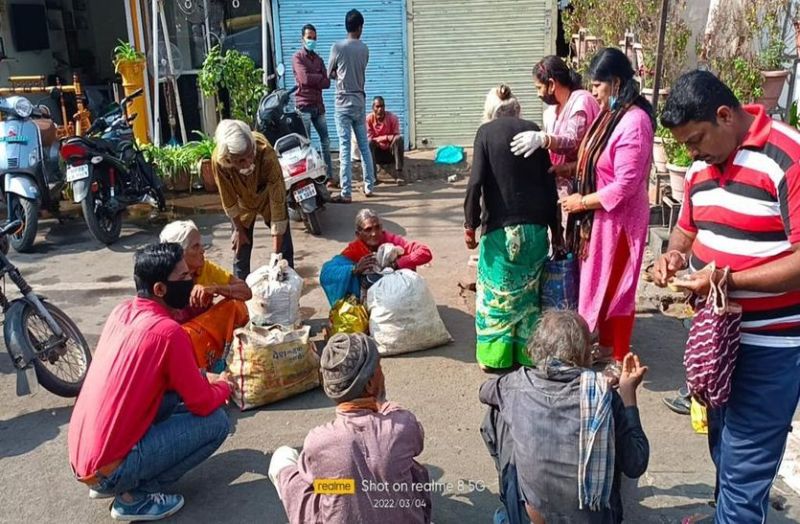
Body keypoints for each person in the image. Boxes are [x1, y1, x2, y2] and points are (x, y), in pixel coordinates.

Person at [653, 70, 800, 524]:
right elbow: (686, 228)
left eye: (696, 140)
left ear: (724, 115)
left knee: (743, 473)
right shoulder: (701, 166)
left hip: (770, 347)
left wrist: (726, 280)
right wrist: (674, 256)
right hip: (716, 341)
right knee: (723, 450)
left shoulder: (787, 156)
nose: (691, 154)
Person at [68, 243, 235, 521]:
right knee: (217, 422)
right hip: (107, 468)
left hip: (84, 456)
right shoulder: (169, 333)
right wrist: (225, 385)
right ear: (160, 289)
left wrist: (205, 379)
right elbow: (203, 403)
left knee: (171, 399)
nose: (191, 280)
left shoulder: (122, 311)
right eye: (184, 277)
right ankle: (135, 496)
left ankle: (114, 478)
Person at [480, 310, 649, 524]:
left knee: (498, 411)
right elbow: (635, 463)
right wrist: (628, 394)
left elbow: (484, 392)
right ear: (585, 354)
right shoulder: (604, 395)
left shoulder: (516, 385)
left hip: (534, 515)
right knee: (617, 431)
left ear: (536, 348)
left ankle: (513, 510)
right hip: (595, 517)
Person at [268, 333, 432, 524]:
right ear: (369, 383)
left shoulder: (318, 440)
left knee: (284, 457)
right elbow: (415, 440)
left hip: (340, 492)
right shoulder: (402, 425)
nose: (383, 374)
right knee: (408, 468)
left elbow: (311, 479)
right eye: (379, 368)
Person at [558, 47, 655, 363]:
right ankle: (607, 345)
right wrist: (569, 170)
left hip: (620, 221)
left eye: (597, 85)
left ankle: (620, 357)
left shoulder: (634, 121)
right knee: (599, 283)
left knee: (617, 288)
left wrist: (582, 202)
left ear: (615, 82)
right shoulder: (612, 114)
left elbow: (626, 184)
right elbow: (596, 161)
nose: (593, 91)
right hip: (600, 219)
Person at [465, 84, 557, 371]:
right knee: (529, 296)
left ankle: (495, 358)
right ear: (517, 109)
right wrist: (557, 230)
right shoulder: (533, 131)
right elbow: (549, 184)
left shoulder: (485, 133)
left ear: (490, 111)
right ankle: (527, 355)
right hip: (536, 231)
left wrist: (470, 224)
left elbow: (475, 183)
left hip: (501, 233)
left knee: (497, 297)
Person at [511, 55, 600, 235]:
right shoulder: (552, 111)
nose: (538, 94)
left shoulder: (581, 101)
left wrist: (545, 140)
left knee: (580, 236)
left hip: (584, 186)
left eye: (539, 88)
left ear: (551, 84)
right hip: (560, 188)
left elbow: (572, 141)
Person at [159, 220, 251, 371]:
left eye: (201, 244)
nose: (203, 250)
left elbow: (246, 292)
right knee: (187, 336)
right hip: (181, 341)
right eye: (196, 246)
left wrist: (215, 288)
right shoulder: (166, 278)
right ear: (179, 254)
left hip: (205, 336)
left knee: (236, 305)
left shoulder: (205, 268)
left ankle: (218, 358)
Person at [212, 119, 294, 279]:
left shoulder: (266, 152)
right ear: (228, 159)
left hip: (267, 197)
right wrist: (238, 229)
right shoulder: (219, 161)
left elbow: (277, 199)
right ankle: (240, 292)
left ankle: (287, 290)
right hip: (242, 203)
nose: (248, 162)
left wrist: (276, 255)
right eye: (240, 160)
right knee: (240, 253)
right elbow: (228, 197)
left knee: (283, 254)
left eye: (250, 155)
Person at [320, 208, 432, 305]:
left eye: (377, 227)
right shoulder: (354, 250)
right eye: (368, 230)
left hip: (400, 297)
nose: (374, 233)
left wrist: (398, 264)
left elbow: (425, 252)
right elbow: (327, 273)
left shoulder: (392, 242)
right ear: (358, 234)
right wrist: (354, 269)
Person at [328, 9, 376, 203]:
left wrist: (339, 76)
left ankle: (346, 192)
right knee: (364, 145)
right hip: (359, 101)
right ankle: (369, 186)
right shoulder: (364, 49)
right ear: (360, 27)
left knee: (345, 147)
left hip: (342, 102)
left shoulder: (337, 47)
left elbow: (329, 73)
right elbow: (360, 69)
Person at [292, 23, 334, 183]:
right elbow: (304, 79)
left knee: (326, 141)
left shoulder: (319, 59)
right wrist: (319, 77)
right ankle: (308, 180)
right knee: (306, 145)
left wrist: (314, 78)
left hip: (318, 106)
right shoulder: (297, 57)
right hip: (304, 107)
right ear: (302, 39)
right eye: (309, 37)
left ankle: (329, 176)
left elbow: (327, 82)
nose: (312, 41)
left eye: (314, 38)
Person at [367, 95, 405, 185]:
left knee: (399, 139)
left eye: (382, 106)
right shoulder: (369, 119)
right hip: (376, 154)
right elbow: (369, 138)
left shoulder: (392, 118)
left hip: (390, 153)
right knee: (369, 143)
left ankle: (399, 175)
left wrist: (383, 139)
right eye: (377, 106)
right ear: (373, 108)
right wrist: (387, 138)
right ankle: (373, 177)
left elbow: (395, 137)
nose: (380, 109)